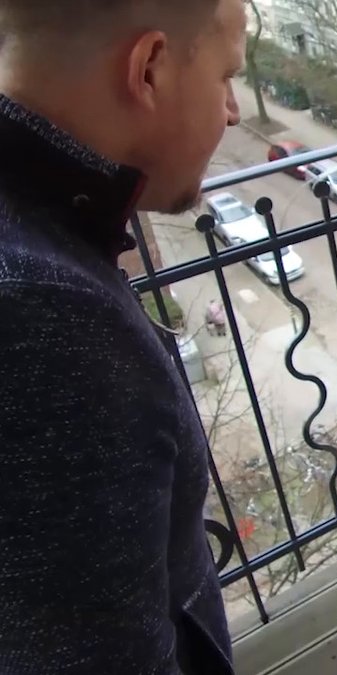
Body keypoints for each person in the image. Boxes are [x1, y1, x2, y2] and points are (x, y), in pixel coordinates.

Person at [0, 1, 245, 673]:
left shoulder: (41, 240)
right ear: (149, 69)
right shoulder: (44, 315)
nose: (233, 111)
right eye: (227, 76)